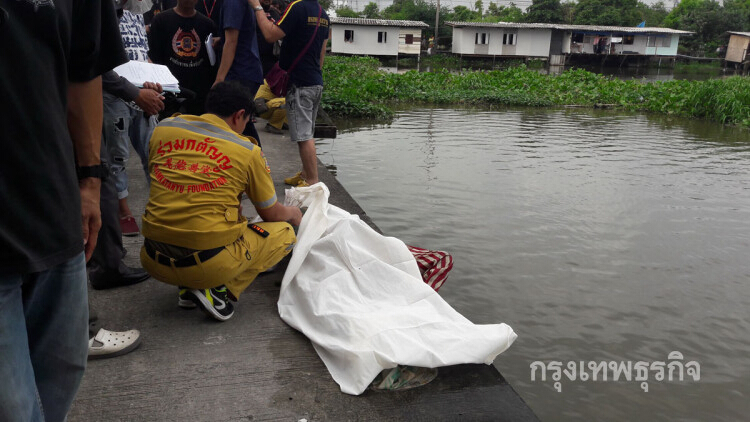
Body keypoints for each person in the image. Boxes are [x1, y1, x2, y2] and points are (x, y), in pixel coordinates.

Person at [0, 0, 126, 418]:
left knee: (64, 367)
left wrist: (90, 181)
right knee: (13, 404)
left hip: (53, 203)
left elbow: (84, 68)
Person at [140, 81, 302, 321]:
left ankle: (188, 289)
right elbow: (271, 214)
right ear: (239, 116)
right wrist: (294, 214)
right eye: (246, 122)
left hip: (152, 259)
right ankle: (217, 290)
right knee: (285, 233)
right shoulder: (246, 150)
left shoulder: (164, 128)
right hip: (208, 265)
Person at [251, 0, 330, 187]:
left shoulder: (297, 7)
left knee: (303, 137)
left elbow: (270, 35)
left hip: (300, 83)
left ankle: (312, 181)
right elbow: (321, 56)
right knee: (308, 132)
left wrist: (257, 7)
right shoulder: (323, 15)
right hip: (315, 81)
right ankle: (305, 173)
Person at [107, 0, 159, 236]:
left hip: (143, 90)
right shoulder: (105, 12)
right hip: (114, 94)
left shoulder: (137, 15)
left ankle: (159, 205)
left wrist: (153, 74)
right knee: (117, 154)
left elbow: (141, 50)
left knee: (153, 150)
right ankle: (122, 210)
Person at [148, 0, 217, 115]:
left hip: (198, 96)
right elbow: (154, 60)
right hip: (168, 95)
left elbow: (211, 65)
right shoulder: (161, 21)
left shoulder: (208, 25)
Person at [214, 0, 264, 143]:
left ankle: (258, 161)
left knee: (236, 121)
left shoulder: (232, 2)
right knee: (242, 121)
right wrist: (221, 40)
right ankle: (257, 161)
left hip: (240, 71)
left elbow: (231, 41)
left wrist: (219, 79)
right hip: (248, 69)